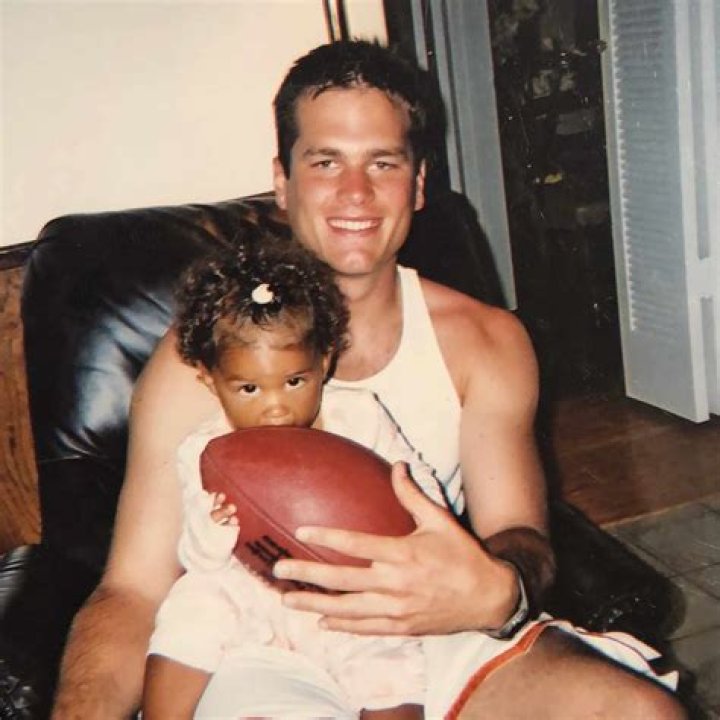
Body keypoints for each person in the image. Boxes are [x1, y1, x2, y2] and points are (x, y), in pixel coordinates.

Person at [52, 39, 686, 719]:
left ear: (419, 183)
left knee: (641, 713)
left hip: (430, 629)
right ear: (283, 181)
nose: (355, 193)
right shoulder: (199, 360)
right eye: (326, 162)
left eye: (383, 162)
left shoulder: (487, 342)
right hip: (258, 642)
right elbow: (133, 591)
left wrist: (498, 586)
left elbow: (519, 534)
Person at [142, 227, 447, 719]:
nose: (276, 407)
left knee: (393, 661)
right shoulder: (207, 450)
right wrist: (213, 529)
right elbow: (196, 556)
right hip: (250, 587)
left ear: (323, 362)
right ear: (210, 381)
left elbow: (415, 482)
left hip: (347, 591)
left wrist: (423, 524)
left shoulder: (360, 416)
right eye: (249, 389)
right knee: (191, 608)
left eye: (294, 381)